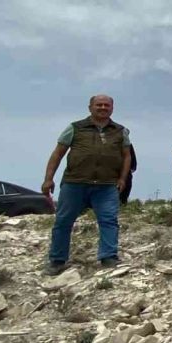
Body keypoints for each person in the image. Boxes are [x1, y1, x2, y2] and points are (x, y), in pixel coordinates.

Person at [42, 94, 132, 274]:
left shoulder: (121, 131)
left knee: (109, 221)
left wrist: (123, 179)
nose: (103, 108)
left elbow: (126, 156)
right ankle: (57, 261)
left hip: (107, 185)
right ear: (90, 107)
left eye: (107, 105)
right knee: (63, 221)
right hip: (75, 183)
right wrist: (48, 178)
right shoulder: (75, 128)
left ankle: (109, 257)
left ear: (112, 108)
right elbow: (58, 153)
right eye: (99, 105)